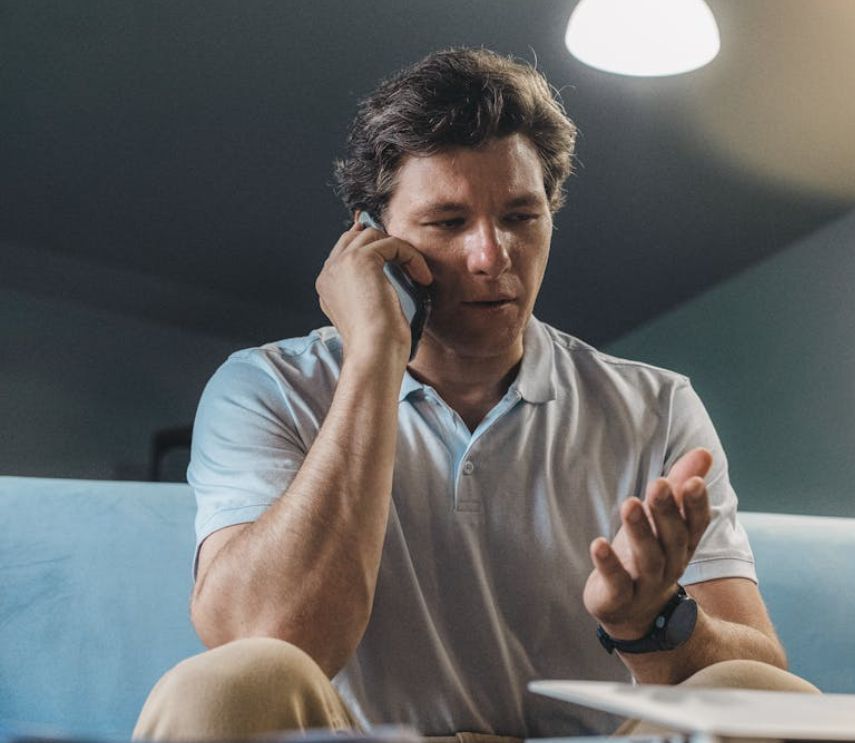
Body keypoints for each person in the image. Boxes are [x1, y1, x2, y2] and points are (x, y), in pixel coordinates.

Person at [133, 48, 816, 742]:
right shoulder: (268, 388)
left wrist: (651, 620)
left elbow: (759, 673)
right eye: (448, 223)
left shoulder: (657, 408)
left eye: (521, 215)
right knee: (222, 685)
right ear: (371, 238)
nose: (492, 256)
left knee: (754, 690)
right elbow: (269, 636)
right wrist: (374, 356)